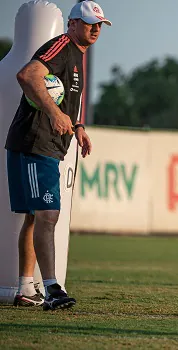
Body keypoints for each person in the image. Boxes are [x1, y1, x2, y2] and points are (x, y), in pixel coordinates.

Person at [4, 1, 111, 310]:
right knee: (48, 215)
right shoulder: (62, 45)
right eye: (90, 22)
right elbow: (27, 75)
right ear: (72, 22)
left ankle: (26, 288)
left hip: (41, 143)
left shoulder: (79, 53)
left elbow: (63, 94)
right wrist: (53, 113)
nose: (95, 29)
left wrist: (77, 125)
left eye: (100, 24)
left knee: (36, 217)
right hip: (37, 142)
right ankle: (52, 289)